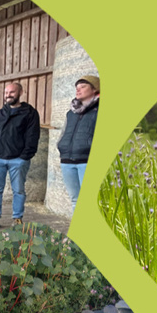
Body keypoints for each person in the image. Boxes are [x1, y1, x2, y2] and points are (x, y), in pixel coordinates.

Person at [0, 82, 41, 230]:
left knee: (19, 190)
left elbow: (33, 135)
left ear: (21, 92)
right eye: (6, 92)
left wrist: (25, 157)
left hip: (17, 160)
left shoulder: (29, 113)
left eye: (12, 92)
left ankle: (17, 218)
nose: (8, 95)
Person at [57, 75, 100, 212]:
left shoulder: (99, 110)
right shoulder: (71, 112)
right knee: (75, 200)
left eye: (83, 87)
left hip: (86, 161)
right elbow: (63, 132)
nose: (78, 90)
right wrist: (60, 145)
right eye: (77, 88)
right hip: (67, 161)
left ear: (94, 89)